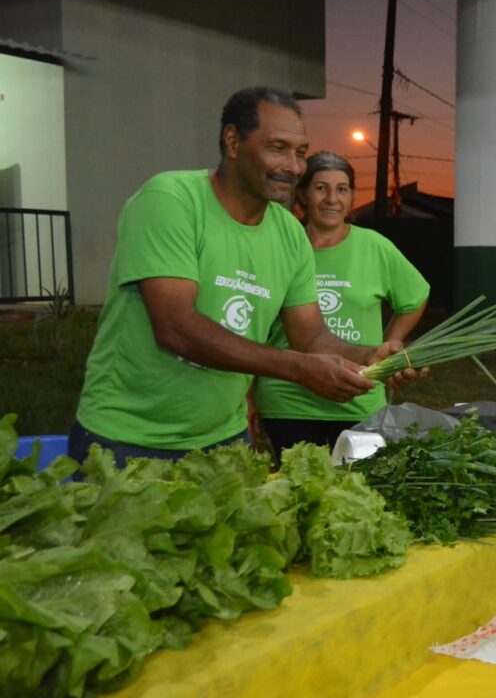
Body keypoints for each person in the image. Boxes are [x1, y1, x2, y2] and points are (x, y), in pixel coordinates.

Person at [70, 87, 417, 467]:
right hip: (127, 439)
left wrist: (370, 354)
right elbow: (175, 328)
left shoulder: (288, 234)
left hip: (222, 439)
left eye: (300, 152)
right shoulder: (171, 200)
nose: (294, 166)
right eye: (277, 148)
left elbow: (311, 336)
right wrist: (298, 369)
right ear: (233, 142)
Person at [250, 151, 430, 453]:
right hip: (287, 399)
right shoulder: (280, 247)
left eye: (342, 189)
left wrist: (388, 347)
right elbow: (254, 326)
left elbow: (415, 296)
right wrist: (248, 394)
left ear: (351, 198)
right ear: (303, 195)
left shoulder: (374, 246)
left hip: (358, 397)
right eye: (321, 188)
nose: (331, 198)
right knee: (296, 491)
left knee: (358, 492)